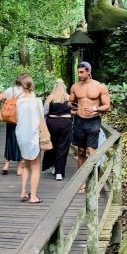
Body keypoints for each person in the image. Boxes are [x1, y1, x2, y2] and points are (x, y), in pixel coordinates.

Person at [69, 62, 111, 193]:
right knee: (81, 152)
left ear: (88, 71)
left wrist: (95, 108)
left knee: (91, 151)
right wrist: (72, 109)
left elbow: (107, 106)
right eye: (78, 72)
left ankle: (92, 182)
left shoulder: (99, 87)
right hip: (79, 121)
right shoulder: (75, 87)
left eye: (82, 72)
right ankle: (82, 182)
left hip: (93, 121)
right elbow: (70, 102)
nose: (79, 74)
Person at [14, 74, 44, 204]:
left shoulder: (19, 101)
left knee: (26, 164)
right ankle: (33, 197)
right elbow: (41, 120)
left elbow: (17, 118)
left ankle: (23, 191)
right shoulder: (36, 101)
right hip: (33, 135)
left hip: (21, 135)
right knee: (35, 166)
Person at [43, 79, 73, 181]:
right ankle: (59, 173)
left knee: (53, 146)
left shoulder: (50, 97)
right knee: (63, 147)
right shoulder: (68, 97)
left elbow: (45, 112)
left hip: (52, 124)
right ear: (64, 86)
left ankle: (54, 167)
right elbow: (73, 110)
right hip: (65, 123)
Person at [0, 77, 23, 175]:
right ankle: (19, 167)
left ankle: (6, 164)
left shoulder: (10, 90)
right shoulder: (26, 91)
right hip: (21, 120)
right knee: (20, 141)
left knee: (10, 140)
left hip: (10, 119)